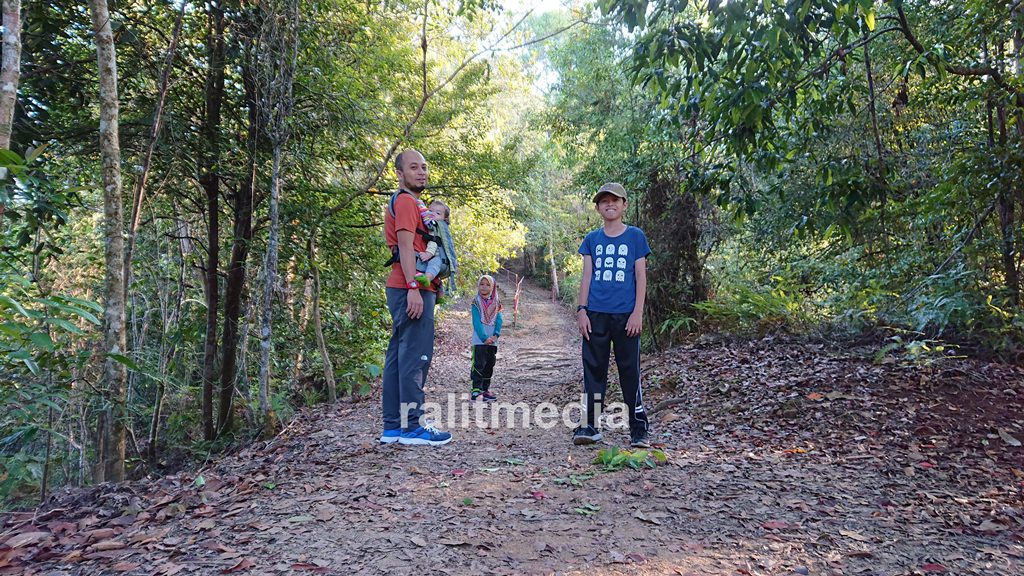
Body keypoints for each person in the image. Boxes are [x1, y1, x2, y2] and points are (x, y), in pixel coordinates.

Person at [379, 149, 452, 446]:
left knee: (398, 356)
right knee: (415, 358)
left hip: (407, 286)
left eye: (423, 167)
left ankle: (394, 427)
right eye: (413, 167)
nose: (421, 172)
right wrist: (413, 287)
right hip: (411, 287)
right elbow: (406, 247)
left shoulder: (407, 201)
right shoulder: (407, 201)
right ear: (399, 173)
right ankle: (412, 427)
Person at [573, 182, 652, 448]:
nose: (610, 204)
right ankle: (590, 425)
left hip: (626, 315)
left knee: (629, 371)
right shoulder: (592, 239)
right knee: (593, 370)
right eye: (604, 201)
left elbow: (640, 276)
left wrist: (637, 313)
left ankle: (638, 427)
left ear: (624, 205)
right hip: (595, 314)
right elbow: (587, 277)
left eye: (615, 200)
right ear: (597, 208)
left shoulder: (635, 236)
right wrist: (581, 311)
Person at [469, 275, 503, 401]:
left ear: (492, 287)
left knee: (489, 364)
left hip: (492, 341)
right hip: (479, 340)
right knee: (479, 364)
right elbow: (476, 322)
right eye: (482, 284)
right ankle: (476, 390)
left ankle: (485, 389)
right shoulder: (476, 302)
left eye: (488, 285)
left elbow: (499, 319)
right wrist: (484, 338)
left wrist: (496, 335)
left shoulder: (497, 302)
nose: (484, 287)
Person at [414, 200, 455, 296]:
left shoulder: (437, 227)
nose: (433, 214)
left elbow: (435, 242)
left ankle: (427, 278)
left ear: (444, 218)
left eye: (438, 213)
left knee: (433, 264)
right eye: (431, 211)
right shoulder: (442, 227)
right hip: (441, 259)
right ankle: (440, 294)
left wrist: (428, 254)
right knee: (435, 270)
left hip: (438, 257)